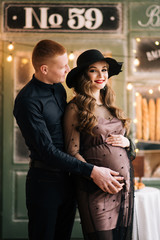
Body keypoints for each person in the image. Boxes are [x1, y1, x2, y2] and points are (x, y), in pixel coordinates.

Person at [13, 40, 125, 240]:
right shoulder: (27, 101)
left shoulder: (58, 88)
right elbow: (47, 151)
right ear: (44, 69)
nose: (68, 69)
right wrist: (92, 171)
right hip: (45, 181)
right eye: (63, 66)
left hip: (70, 179)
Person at [64, 49, 136, 240]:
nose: (101, 75)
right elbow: (72, 152)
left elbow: (128, 149)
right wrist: (95, 174)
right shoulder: (75, 107)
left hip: (123, 189)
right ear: (83, 75)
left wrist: (129, 143)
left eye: (104, 70)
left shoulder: (110, 105)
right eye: (93, 70)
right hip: (96, 187)